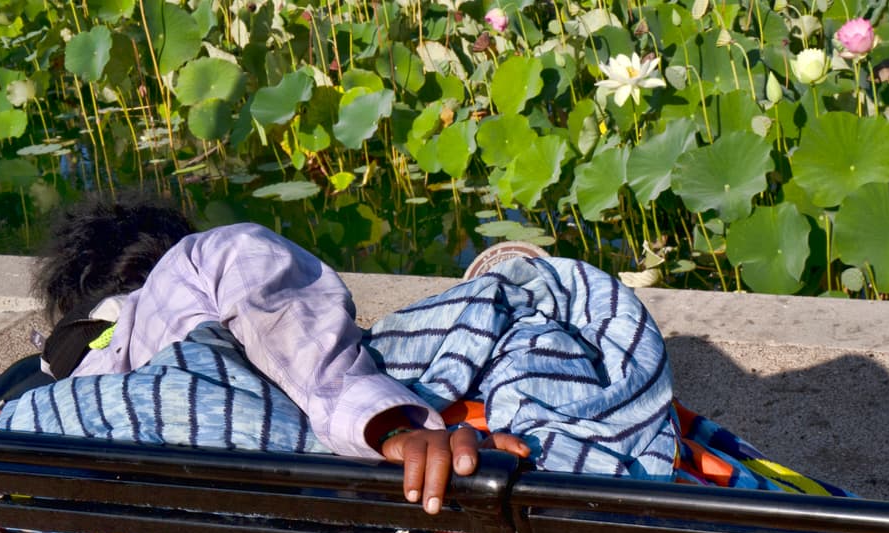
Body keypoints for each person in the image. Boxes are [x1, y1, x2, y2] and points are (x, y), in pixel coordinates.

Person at [28, 194, 528, 514]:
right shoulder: (191, 264)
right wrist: (390, 426)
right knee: (516, 306)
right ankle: (511, 283)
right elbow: (291, 335)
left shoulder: (55, 393)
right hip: (340, 499)